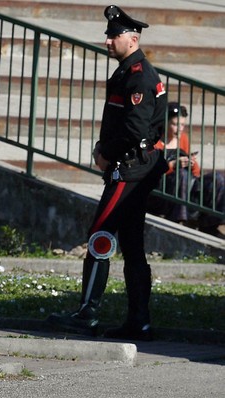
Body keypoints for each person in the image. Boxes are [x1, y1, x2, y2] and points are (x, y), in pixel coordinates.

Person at [47, 6, 168, 341]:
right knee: (131, 245)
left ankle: (87, 313)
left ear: (132, 38)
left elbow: (135, 131)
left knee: (100, 236)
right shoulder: (127, 71)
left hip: (129, 170)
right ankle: (139, 320)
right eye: (109, 34)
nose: (108, 40)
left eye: (114, 35)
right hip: (132, 167)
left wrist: (105, 153)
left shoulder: (139, 75)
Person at [151, 103, 225, 238]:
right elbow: (150, 170)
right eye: (174, 124)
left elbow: (196, 173)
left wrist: (191, 163)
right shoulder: (155, 141)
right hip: (163, 189)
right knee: (182, 175)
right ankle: (180, 220)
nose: (179, 129)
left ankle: (212, 221)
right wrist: (173, 165)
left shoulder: (183, 138)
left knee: (217, 179)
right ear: (165, 122)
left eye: (182, 125)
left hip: (185, 186)